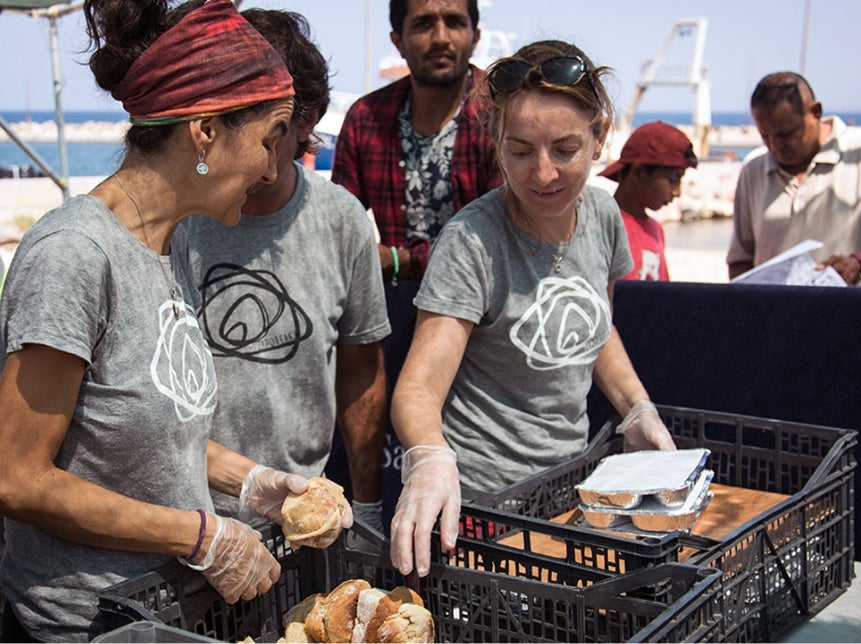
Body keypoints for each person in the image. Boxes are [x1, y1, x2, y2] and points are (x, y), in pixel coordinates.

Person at [0, 1, 351, 641]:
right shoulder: (74, 255)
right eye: (271, 137)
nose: (276, 168)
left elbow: (145, 440)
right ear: (206, 131)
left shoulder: (171, 247)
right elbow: (17, 478)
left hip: (164, 613)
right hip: (85, 625)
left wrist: (252, 484)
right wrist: (197, 532)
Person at [387, 40, 678, 578]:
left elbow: (597, 329)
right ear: (496, 144)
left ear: (599, 138)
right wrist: (429, 457)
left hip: (569, 489)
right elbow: (417, 388)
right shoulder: (473, 240)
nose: (543, 174)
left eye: (565, 149)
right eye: (521, 151)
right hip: (482, 505)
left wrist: (637, 407)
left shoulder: (605, 216)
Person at [183, 9, 390, 539]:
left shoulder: (341, 220)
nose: (268, 167)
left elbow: (361, 369)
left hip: (297, 517)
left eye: (283, 139)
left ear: (307, 123)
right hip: (181, 520)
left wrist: (365, 503)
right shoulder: (177, 217)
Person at [329, 0, 501, 520]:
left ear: (475, 33)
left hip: (482, 327)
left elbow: (502, 239)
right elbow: (344, 231)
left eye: (455, 22)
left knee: (470, 491)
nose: (441, 36)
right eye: (424, 23)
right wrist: (377, 262)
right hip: (386, 323)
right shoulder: (366, 118)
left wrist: (399, 259)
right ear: (398, 39)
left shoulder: (499, 115)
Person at [726, 71, 861, 286]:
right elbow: (740, 259)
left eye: (786, 134)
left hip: (852, 315)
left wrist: (859, 263)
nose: (775, 145)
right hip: (775, 316)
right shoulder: (753, 169)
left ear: (815, 112)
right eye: (765, 135)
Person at [598, 120, 699, 281]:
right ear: (638, 173)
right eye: (673, 180)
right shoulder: (602, 226)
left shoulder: (656, 229)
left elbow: (663, 292)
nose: (677, 192)